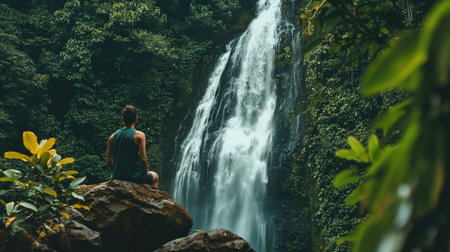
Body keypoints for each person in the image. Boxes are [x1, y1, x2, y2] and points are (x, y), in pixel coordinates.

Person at [106, 105, 159, 189]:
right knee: (155, 176)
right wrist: (145, 172)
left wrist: (117, 171)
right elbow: (143, 159)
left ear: (122, 119)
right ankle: (152, 199)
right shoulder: (139, 136)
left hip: (117, 176)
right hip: (134, 177)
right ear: (136, 119)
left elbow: (108, 160)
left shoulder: (112, 137)